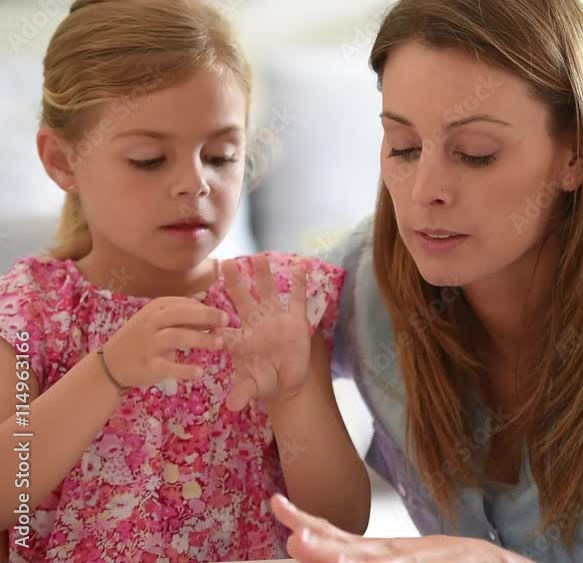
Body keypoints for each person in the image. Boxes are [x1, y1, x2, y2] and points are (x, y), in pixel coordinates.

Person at [270, 0, 583, 561]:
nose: (424, 193)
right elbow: (209, 346)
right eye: (404, 147)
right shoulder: (366, 276)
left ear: (577, 154)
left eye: (475, 154)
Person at [0, 1, 370, 560]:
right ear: (62, 160)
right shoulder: (33, 306)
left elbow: (340, 525)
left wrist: (295, 396)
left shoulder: (272, 302)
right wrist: (106, 373)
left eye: (220, 156)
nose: (194, 184)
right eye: (150, 159)